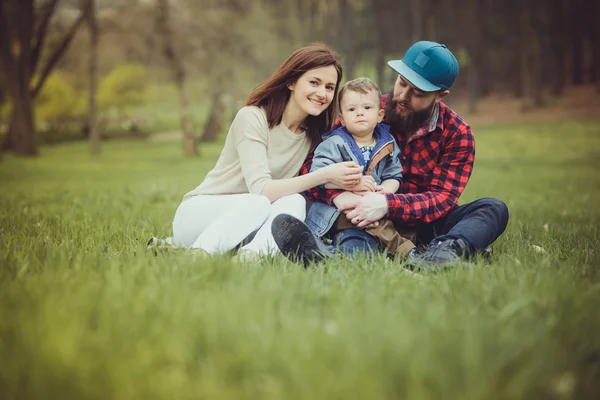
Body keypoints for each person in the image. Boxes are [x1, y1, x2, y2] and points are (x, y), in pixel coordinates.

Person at [271, 41, 509, 270]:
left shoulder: (457, 133)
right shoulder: (364, 110)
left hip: (422, 222)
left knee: (493, 209)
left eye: (417, 92)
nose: (403, 96)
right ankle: (331, 256)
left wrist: (387, 204)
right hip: (362, 217)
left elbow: (442, 199)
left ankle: (442, 254)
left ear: (440, 95)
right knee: (356, 241)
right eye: (402, 82)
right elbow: (311, 171)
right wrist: (342, 196)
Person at [169, 44, 364, 260]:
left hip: (246, 224)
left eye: (329, 87)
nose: (322, 94)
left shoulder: (316, 137)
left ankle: (250, 258)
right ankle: (199, 254)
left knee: (296, 201)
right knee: (259, 201)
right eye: (314, 83)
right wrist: (324, 175)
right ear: (291, 82)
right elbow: (261, 190)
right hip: (198, 217)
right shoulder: (252, 117)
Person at [304, 77, 416, 259]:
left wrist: (383, 192)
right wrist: (352, 184)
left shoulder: (387, 143)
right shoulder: (334, 144)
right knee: (375, 223)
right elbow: (317, 177)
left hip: (372, 206)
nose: (360, 113)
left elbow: (394, 175)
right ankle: (406, 252)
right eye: (351, 109)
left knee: (364, 235)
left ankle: (329, 253)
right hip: (338, 211)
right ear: (342, 119)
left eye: (367, 108)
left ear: (380, 115)